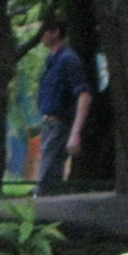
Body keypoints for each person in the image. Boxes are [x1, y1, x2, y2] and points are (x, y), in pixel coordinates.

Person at [35, 17, 93, 196]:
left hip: (60, 124)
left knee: (47, 176)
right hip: (49, 124)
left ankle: (42, 206)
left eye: (44, 31)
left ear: (55, 32)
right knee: (48, 174)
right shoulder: (51, 60)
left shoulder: (68, 59)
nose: (41, 35)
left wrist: (75, 133)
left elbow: (84, 95)